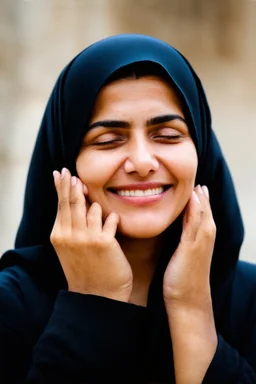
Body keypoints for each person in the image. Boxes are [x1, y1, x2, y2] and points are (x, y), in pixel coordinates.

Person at [0, 34, 255, 384]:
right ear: (67, 162)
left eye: (167, 135)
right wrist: (92, 306)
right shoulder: (10, 307)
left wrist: (191, 310)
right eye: (108, 141)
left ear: (202, 151)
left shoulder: (250, 301)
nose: (141, 161)